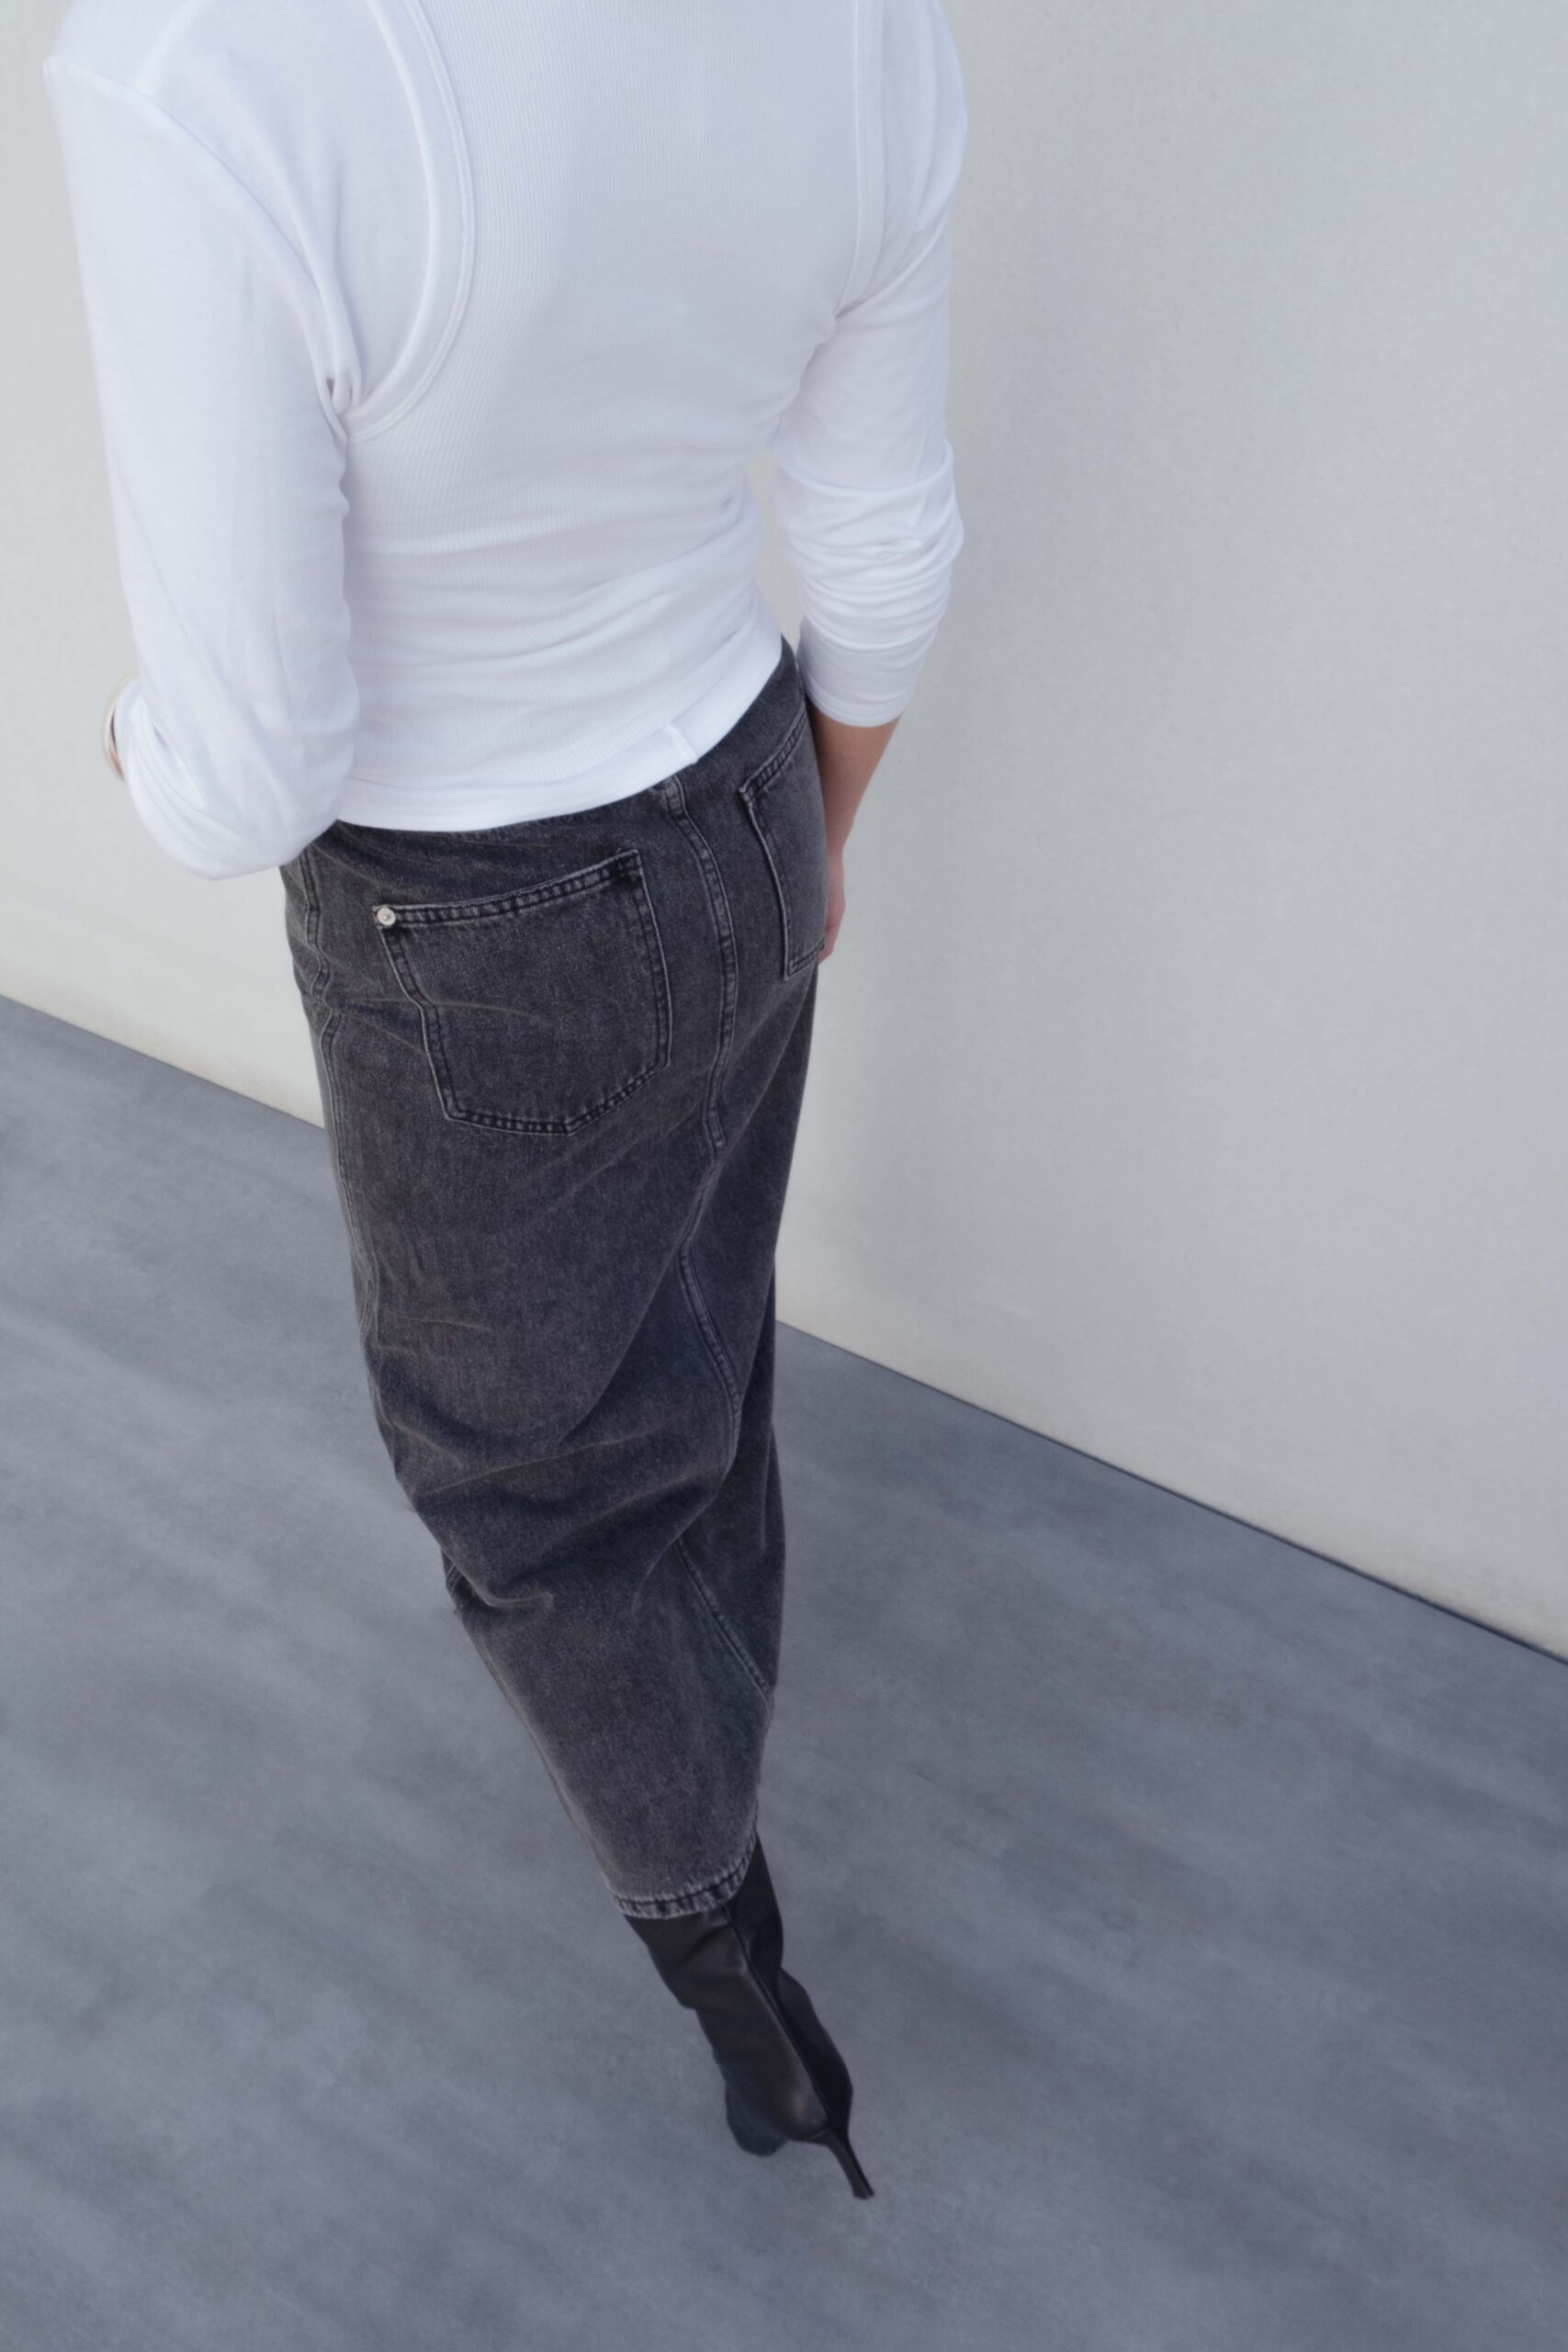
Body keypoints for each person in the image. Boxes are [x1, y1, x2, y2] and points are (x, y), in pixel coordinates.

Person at [46, 0, 966, 2200]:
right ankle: (714, 1768)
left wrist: (126, 743)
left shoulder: (191, 69)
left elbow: (247, 770)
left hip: (472, 926)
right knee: (697, 1353)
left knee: (539, 1500)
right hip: (751, 776)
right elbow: (883, 551)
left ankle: (724, 1949)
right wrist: (814, 840)